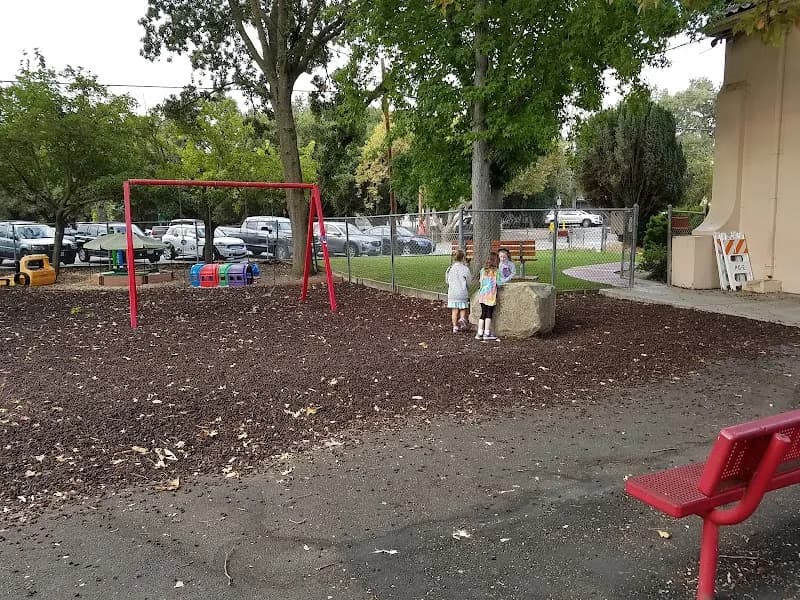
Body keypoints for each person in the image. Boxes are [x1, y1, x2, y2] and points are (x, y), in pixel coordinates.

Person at [445, 249, 472, 333]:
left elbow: (447, 281)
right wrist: (467, 287)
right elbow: (469, 281)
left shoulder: (450, 269)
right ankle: (462, 319)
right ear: (463, 258)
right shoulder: (465, 269)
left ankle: (455, 327)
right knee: (463, 308)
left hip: (452, 293)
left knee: (454, 310)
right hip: (462, 292)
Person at [476, 252, 500, 341]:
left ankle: (479, 333)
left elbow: (480, 281)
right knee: (489, 314)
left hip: (482, 295)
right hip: (490, 296)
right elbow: (499, 282)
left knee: (483, 313)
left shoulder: (482, 270)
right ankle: (486, 333)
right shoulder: (496, 271)